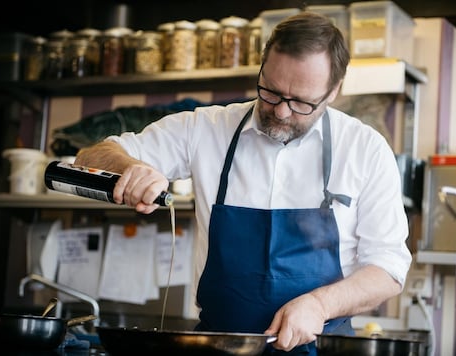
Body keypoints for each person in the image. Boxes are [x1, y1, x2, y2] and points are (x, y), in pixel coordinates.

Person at [75, 12, 412, 355]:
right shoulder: (204, 129)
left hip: (322, 348)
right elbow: (91, 156)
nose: (281, 112)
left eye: (301, 103)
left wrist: (320, 305)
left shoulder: (365, 148)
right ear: (261, 68)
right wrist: (130, 168)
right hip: (217, 348)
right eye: (271, 92)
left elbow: (388, 268)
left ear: (333, 92)